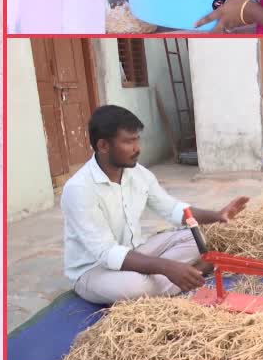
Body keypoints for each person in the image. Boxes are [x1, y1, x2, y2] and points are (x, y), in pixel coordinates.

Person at [62, 105, 249, 304]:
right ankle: (193, 273)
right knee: (136, 287)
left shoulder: (138, 173)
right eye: (128, 141)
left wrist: (217, 215)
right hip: (94, 269)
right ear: (103, 146)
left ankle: (173, 278)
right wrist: (166, 267)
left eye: (137, 139)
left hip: (134, 251)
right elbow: (107, 253)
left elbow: (171, 208)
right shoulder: (79, 189)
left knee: (193, 237)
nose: (137, 148)